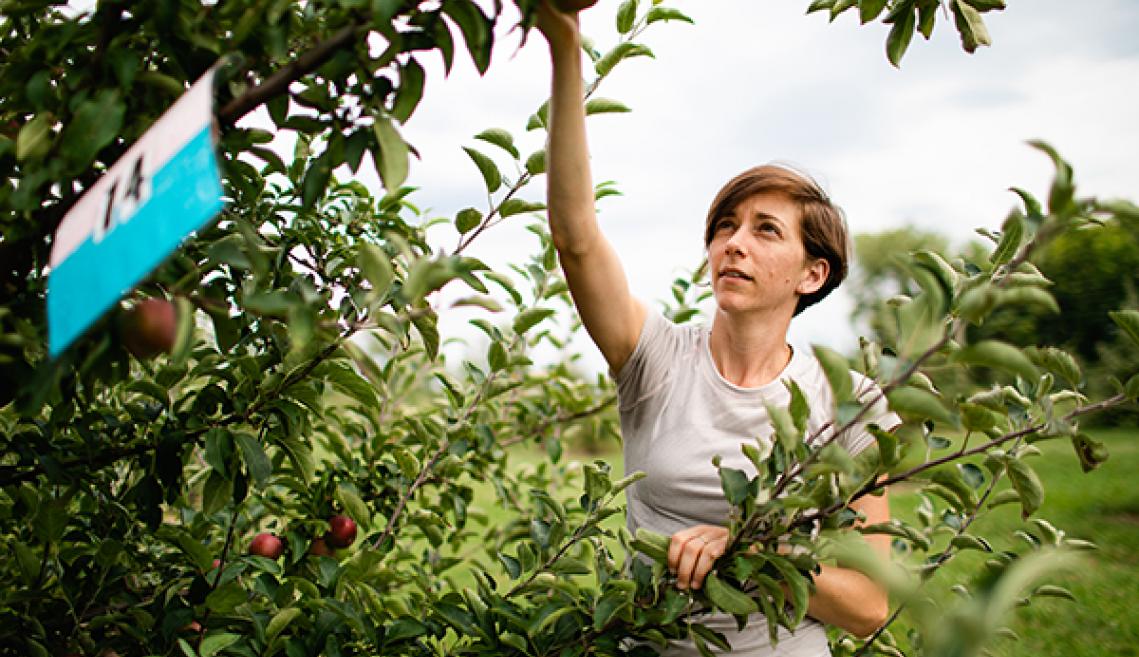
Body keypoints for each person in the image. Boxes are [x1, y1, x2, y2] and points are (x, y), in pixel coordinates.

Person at [534, 2, 902, 655]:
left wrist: (754, 551)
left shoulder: (847, 400)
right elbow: (575, 237)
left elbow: (869, 606)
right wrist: (564, 42)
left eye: (764, 230)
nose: (733, 243)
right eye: (724, 226)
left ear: (811, 274)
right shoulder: (656, 361)